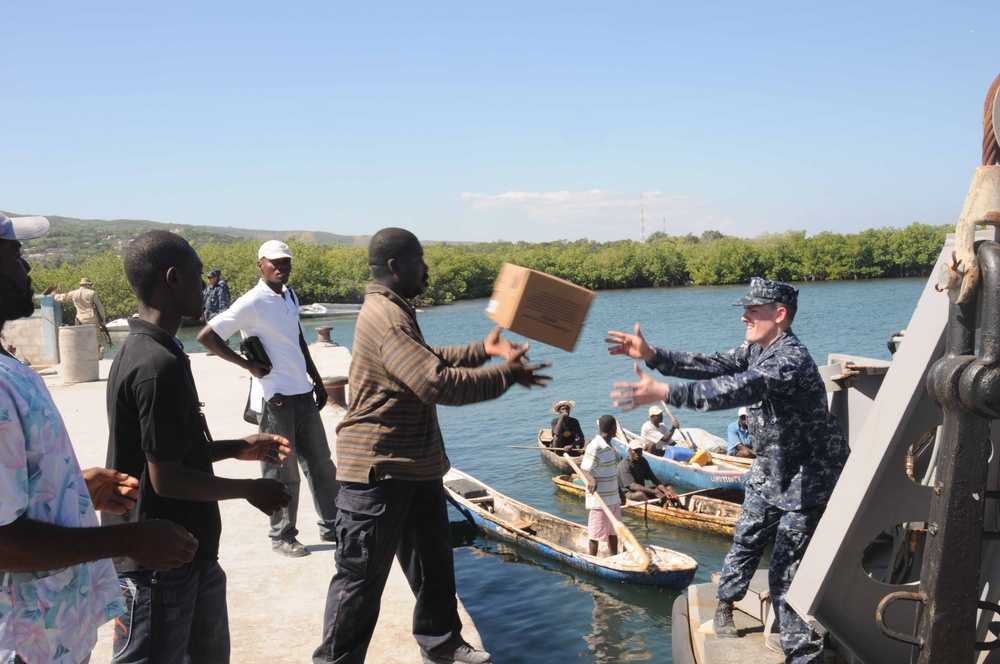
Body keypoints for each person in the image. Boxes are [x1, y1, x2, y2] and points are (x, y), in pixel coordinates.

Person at [313, 227, 551, 664]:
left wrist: (482, 350)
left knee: (434, 567)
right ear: (395, 266)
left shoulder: (395, 312)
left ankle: (443, 645)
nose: (427, 269)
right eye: (420, 260)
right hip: (378, 471)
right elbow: (434, 381)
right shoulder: (385, 317)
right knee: (360, 582)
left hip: (414, 467)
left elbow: (424, 356)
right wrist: (505, 375)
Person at [606, 277, 849, 663]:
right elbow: (714, 365)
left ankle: (802, 653)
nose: (744, 318)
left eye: (752, 311)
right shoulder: (757, 349)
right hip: (770, 471)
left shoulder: (789, 359)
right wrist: (653, 355)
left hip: (808, 480)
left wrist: (665, 392)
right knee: (747, 539)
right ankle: (726, 603)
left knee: (788, 566)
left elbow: (733, 391)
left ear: (779, 315)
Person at [0, 213, 198, 664]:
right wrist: (126, 541)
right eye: (15, 256)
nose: (27, 268)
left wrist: (70, 493)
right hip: (21, 645)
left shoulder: (10, 370)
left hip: (53, 636)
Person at [105, 230, 293, 663]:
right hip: (158, 562)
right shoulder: (156, 365)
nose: (204, 287)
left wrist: (235, 447)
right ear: (173, 280)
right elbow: (166, 478)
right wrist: (250, 490)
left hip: (190, 553)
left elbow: (165, 451)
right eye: (195, 275)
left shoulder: (153, 351)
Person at [198, 240, 341, 558]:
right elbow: (206, 336)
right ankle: (282, 536)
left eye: (286, 261)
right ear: (260, 265)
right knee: (281, 471)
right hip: (275, 397)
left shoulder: (289, 295)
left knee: (321, 464)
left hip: (302, 393)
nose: (281, 267)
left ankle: (333, 525)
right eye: (274, 262)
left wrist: (316, 381)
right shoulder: (252, 302)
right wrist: (247, 365)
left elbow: (299, 340)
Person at [575, 414, 626, 557]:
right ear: (614, 429)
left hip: (613, 498)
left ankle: (614, 557)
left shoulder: (609, 446)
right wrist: (591, 480)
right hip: (600, 501)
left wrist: (620, 492)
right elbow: (584, 469)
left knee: (613, 532)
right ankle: (592, 559)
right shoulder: (595, 446)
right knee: (595, 534)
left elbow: (611, 472)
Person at [50, 276, 108, 355]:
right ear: (87, 285)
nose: (91, 286)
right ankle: (96, 353)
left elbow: (63, 297)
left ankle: (86, 354)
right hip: (93, 319)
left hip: (81, 319)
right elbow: (99, 307)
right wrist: (103, 319)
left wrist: (54, 295)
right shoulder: (92, 293)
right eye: (90, 285)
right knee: (95, 338)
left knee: (82, 337)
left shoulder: (74, 293)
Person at [617, 438, 679, 503]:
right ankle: (657, 507)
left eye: (639, 450)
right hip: (628, 494)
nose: (637, 453)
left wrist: (665, 491)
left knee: (669, 487)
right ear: (629, 450)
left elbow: (654, 479)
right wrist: (655, 492)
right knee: (640, 494)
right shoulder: (624, 465)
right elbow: (632, 486)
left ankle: (678, 506)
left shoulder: (643, 461)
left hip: (641, 490)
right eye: (635, 450)